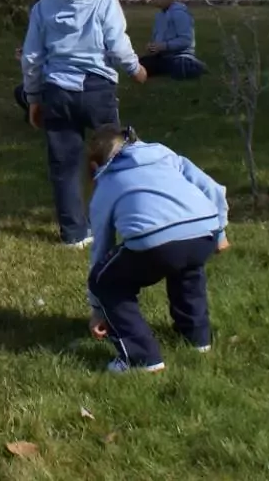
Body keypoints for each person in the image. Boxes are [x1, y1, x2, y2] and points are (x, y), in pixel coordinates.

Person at [21, 0, 146, 248]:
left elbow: (32, 57)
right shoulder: (104, 1)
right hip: (97, 91)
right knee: (116, 156)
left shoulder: (43, 7)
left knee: (63, 165)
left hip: (56, 93)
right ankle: (129, 217)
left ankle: (74, 233)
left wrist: (34, 98)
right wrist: (135, 68)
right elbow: (118, 44)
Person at [85, 124, 230, 374]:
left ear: (96, 166)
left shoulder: (107, 183)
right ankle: (197, 339)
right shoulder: (165, 155)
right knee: (187, 269)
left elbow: (102, 247)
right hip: (202, 231)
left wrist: (99, 310)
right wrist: (220, 232)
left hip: (154, 242)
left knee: (104, 280)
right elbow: (212, 188)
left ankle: (141, 358)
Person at [140, 0, 206, 80]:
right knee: (141, 63)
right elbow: (157, 37)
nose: (154, 1)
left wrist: (164, 46)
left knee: (181, 65)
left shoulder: (180, 13)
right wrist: (153, 46)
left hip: (181, 56)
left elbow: (186, 40)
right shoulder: (159, 16)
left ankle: (196, 66)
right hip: (163, 57)